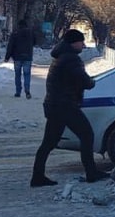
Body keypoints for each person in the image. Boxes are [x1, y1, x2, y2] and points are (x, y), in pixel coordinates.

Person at [30, 29, 109, 187]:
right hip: (65, 106)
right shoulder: (71, 59)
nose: (83, 45)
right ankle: (91, 172)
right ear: (74, 43)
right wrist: (91, 82)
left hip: (55, 105)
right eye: (81, 42)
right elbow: (84, 81)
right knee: (87, 135)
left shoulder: (61, 57)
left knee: (48, 143)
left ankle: (37, 176)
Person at [4, 19, 36, 99]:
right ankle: (27, 91)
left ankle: (18, 92)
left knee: (17, 74)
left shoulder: (15, 33)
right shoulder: (31, 33)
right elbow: (35, 42)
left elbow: (10, 46)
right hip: (28, 57)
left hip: (17, 57)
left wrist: (7, 57)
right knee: (27, 74)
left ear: (19, 25)